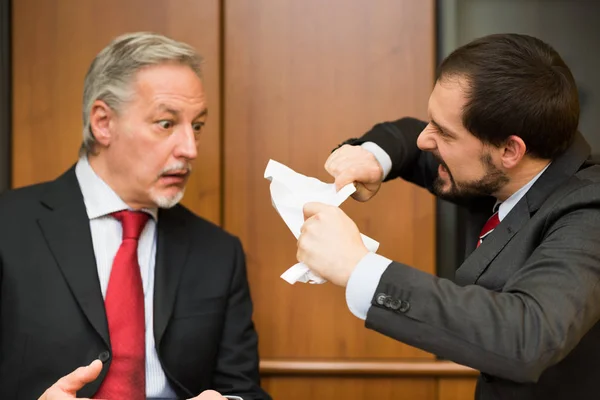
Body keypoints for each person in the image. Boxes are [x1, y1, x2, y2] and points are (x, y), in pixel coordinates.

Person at [297, 33, 600, 399]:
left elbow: (528, 336)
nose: (426, 140)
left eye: (443, 132)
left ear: (510, 149)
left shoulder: (589, 210)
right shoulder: (519, 167)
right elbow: (410, 138)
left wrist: (358, 268)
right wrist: (375, 156)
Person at [0, 32, 270, 400]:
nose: (190, 148)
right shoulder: (8, 227)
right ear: (103, 122)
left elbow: (244, 390)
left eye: (198, 126)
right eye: (166, 123)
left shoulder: (219, 253)